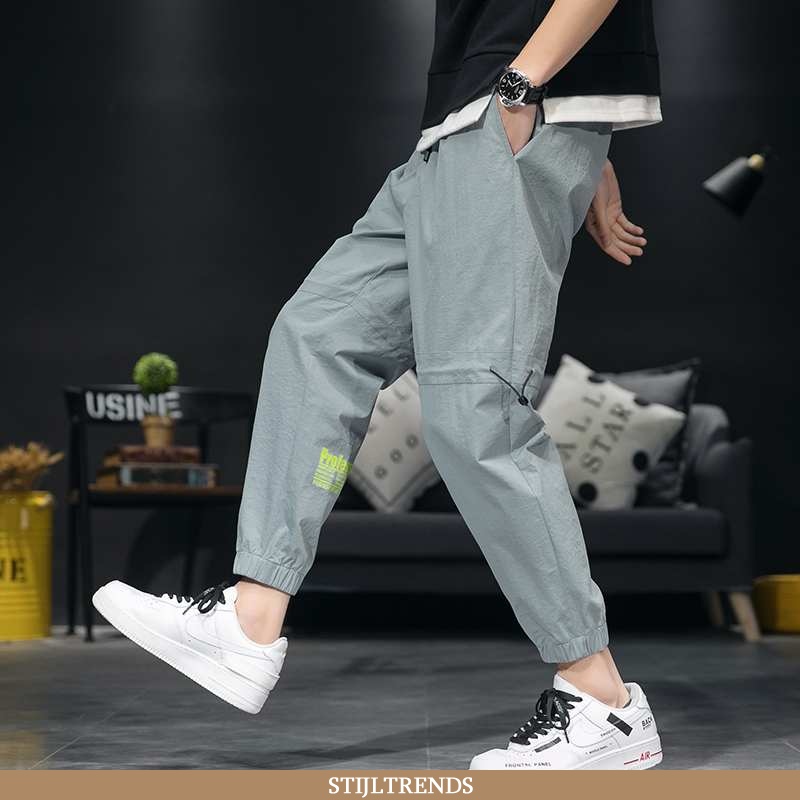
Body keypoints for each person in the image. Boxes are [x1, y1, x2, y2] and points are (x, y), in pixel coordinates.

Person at [93, 0, 664, 770]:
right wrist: (583, 140)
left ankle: (603, 699)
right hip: (458, 131)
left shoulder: (520, 96)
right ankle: (253, 617)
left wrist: (529, 90)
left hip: (506, 114)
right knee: (318, 338)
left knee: (476, 409)